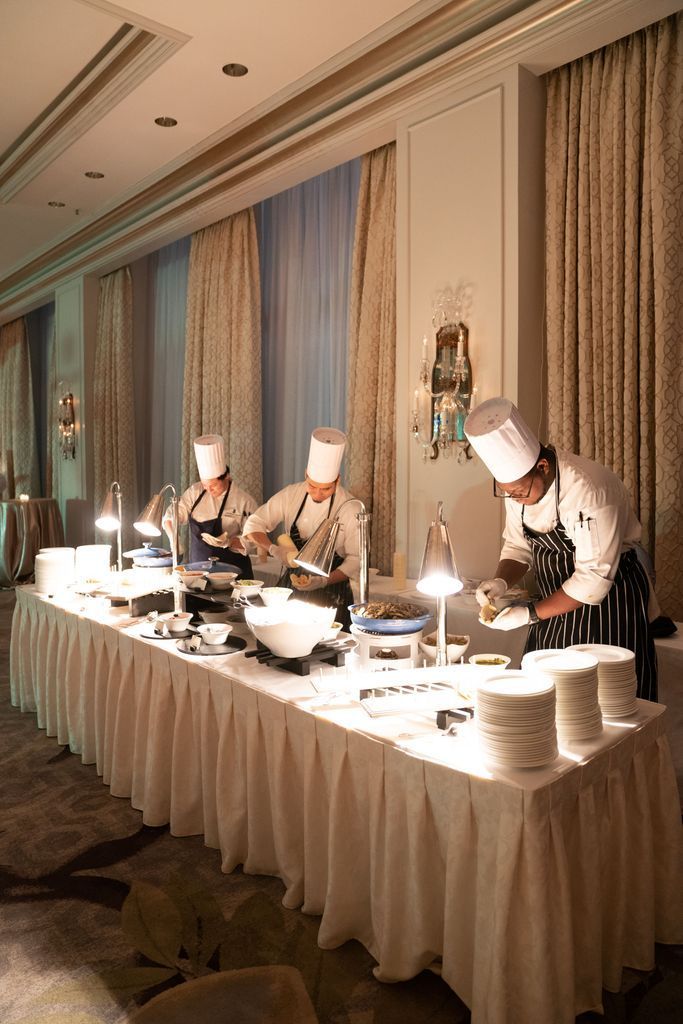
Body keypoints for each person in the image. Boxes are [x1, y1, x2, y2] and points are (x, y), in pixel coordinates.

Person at [464, 397, 657, 701]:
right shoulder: (521, 491)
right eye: (506, 493)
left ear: (542, 466)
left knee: (604, 701)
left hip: (609, 604)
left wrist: (529, 613)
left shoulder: (589, 487)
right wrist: (500, 581)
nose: (514, 499)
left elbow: (593, 581)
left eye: (518, 492)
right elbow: (517, 548)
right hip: (554, 604)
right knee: (543, 697)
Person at [242, 428, 359, 628]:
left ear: (337, 480)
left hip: (333, 593)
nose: (318, 493)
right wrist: (272, 548)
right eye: (312, 486)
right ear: (306, 475)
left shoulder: (350, 506)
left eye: (326, 488)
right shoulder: (291, 495)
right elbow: (254, 523)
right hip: (292, 587)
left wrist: (323, 581)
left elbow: (356, 560)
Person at [164, 434, 257, 578]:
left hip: (234, 576)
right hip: (198, 575)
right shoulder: (195, 492)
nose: (208, 490)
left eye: (213, 485)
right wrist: (173, 538)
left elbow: (253, 538)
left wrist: (228, 542)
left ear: (226, 477)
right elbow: (173, 516)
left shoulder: (244, 501)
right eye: (205, 485)